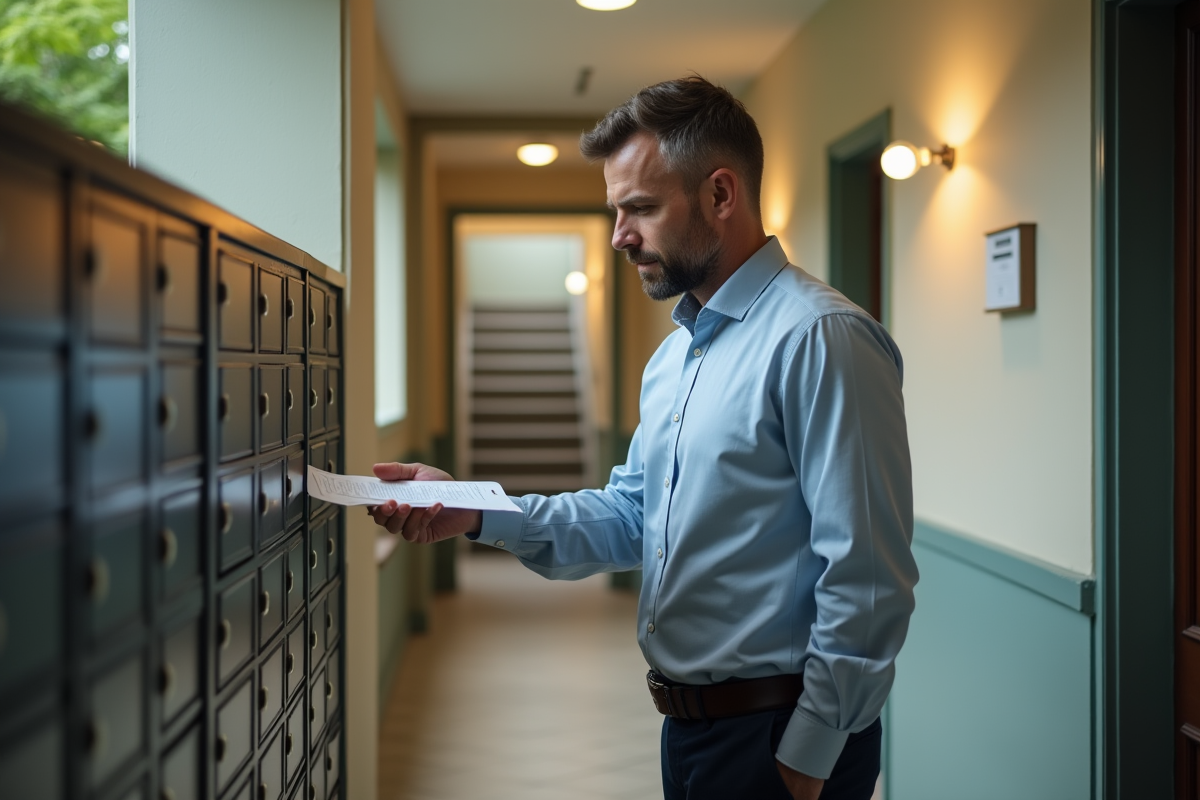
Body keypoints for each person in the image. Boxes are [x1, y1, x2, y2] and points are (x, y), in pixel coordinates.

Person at [367, 76, 918, 800]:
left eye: (641, 209)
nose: (620, 236)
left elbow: (869, 581)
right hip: (690, 733)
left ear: (721, 195)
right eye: (616, 210)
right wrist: (472, 509)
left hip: (777, 741)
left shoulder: (821, 339)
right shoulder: (674, 358)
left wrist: (803, 761)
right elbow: (632, 517)